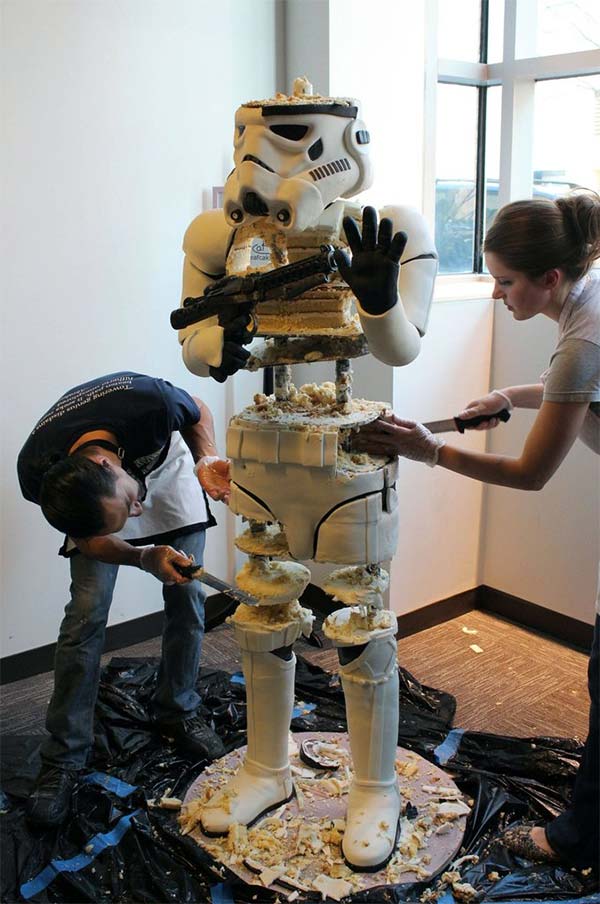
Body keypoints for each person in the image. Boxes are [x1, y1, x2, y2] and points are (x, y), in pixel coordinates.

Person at [354, 190, 600, 870]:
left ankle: (573, 841)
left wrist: (428, 451)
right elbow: (573, 384)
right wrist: (509, 397)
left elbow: (529, 474)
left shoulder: (584, 335)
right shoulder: (588, 291)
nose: (496, 295)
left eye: (505, 281)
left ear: (549, 279)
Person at [17, 371, 231, 827]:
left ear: (106, 463)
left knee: (187, 597)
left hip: (165, 469)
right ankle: (64, 757)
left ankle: (179, 710)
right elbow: (91, 537)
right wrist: (142, 555)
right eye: (128, 516)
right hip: (104, 495)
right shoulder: (40, 474)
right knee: (85, 616)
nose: (138, 514)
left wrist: (207, 458)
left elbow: (196, 407)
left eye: (133, 508)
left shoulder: (148, 402)